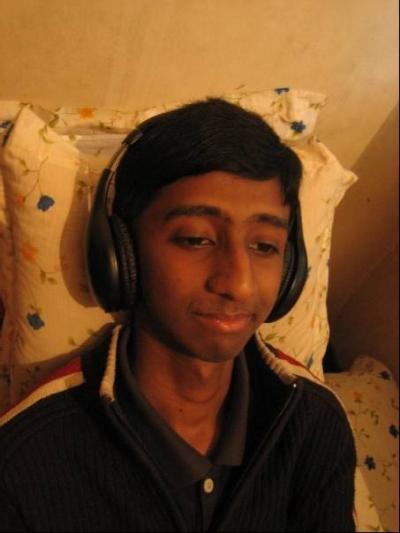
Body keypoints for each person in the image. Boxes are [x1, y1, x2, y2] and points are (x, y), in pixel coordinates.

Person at [0, 98, 356, 532]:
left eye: (264, 246)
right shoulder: (23, 462)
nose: (239, 284)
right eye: (195, 239)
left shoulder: (313, 424)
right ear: (121, 255)